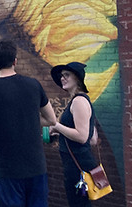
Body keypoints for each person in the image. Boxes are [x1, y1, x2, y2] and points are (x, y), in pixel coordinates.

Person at [0, 40, 57, 207]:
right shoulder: (34, 85)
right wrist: (28, 119)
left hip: (8, 169)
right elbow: (51, 119)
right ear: (15, 61)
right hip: (37, 166)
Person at [49, 62, 98, 207]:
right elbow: (92, 138)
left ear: (77, 79)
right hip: (77, 163)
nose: (62, 78)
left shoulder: (79, 101)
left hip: (78, 166)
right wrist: (62, 133)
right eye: (61, 76)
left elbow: (82, 137)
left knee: (78, 204)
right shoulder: (78, 101)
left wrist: (57, 126)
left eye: (67, 75)